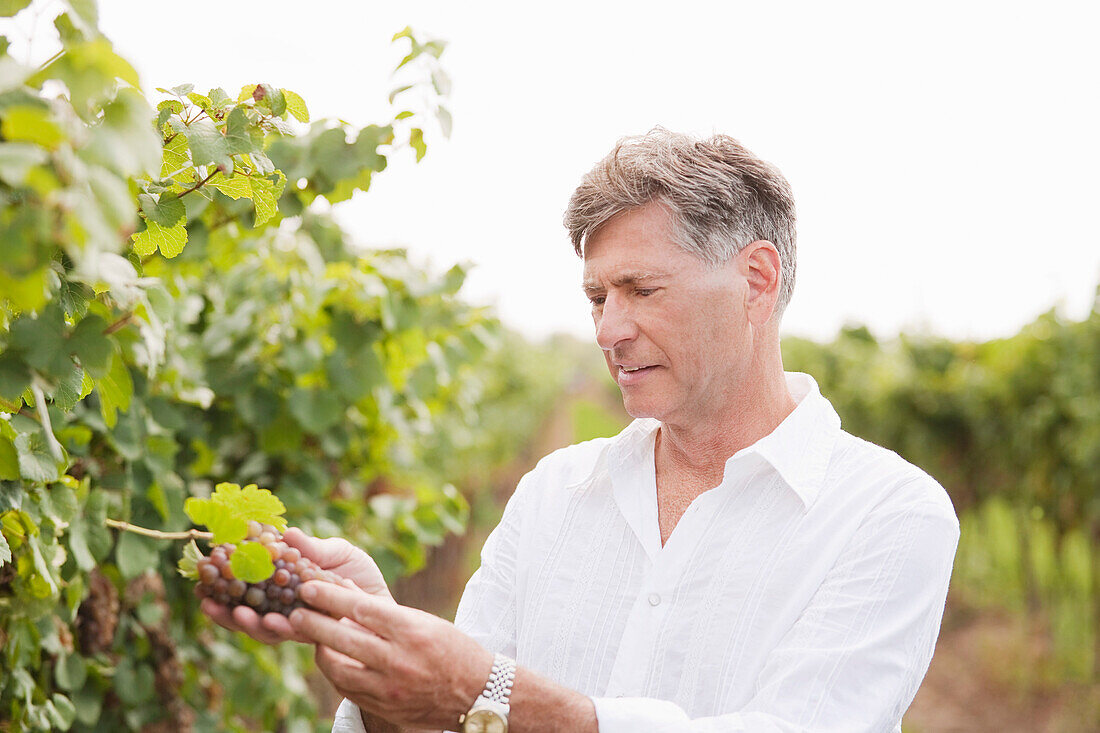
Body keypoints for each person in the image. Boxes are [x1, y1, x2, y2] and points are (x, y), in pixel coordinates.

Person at [203, 129, 960, 733]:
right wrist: (375, 644)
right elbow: (458, 719)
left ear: (756, 280)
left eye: (642, 289)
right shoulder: (553, 494)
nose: (609, 328)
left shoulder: (889, 515)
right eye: (597, 296)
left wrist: (494, 693)